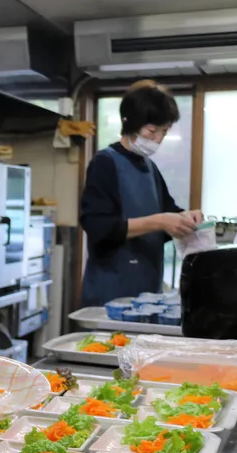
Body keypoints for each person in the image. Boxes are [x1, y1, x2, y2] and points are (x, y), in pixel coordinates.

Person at [79, 81, 203, 306]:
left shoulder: (150, 168)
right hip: (110, 295)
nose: (157, 139)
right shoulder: (105, 163)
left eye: (163, 131)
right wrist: (159, 221)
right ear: (130, 124)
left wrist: (185, 218)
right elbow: (99, 226)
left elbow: (167, 213)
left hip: (147, 294)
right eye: (151, 130)